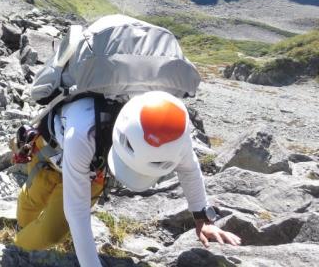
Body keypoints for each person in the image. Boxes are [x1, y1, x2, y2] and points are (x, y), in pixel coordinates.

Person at [13, 90, 241, 267]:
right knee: (32, 198)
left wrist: (203, 219)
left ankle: (17, 245)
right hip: (51, 152)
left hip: (91, 168)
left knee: (51, 232)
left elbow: (189, 169)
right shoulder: (83, 132)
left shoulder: (173, 134)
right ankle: (16, 237)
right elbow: (77, 213)